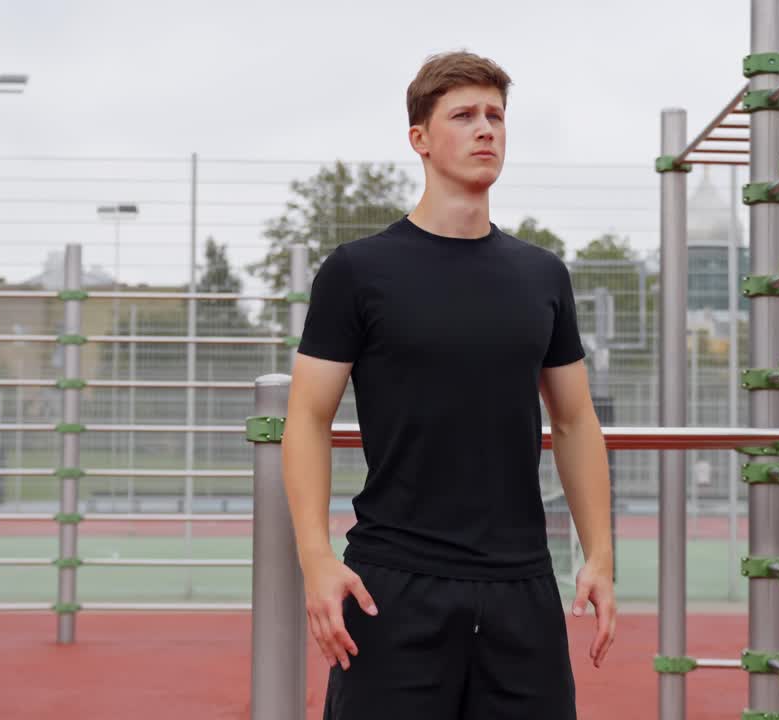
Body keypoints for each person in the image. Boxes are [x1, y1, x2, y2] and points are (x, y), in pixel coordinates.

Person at [282, 49, 615, 720]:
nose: (485, 128)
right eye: (464, 115)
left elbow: (576, 422)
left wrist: (600, 555)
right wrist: (317, 559)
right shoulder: (356, 272)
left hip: (521, 583)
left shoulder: (542, 275)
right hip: (394, 582)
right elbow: (307, 418)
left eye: (495, 115)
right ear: (421, 139)